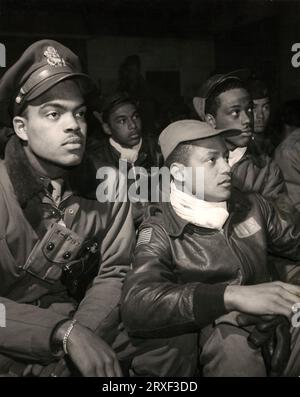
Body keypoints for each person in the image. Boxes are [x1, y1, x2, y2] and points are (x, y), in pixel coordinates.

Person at [121, 120, 300, 377]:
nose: (227, 168)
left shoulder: (250, 205)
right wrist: (229, 297)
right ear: (180, 173)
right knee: (235, 353)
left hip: (269, 316)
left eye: (225, 157)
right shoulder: (160, 228)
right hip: (217, 329)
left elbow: (295, 240)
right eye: (211, 160)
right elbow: (137, 303)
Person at [0, 40, 135, 377]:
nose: (74, 124)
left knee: (163, 343)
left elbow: (114, 272)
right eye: (54, 113)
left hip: (82, 321)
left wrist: (83, 333)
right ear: (21, 128)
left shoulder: (109, 187)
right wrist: (61, 333)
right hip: (10, 335)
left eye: (78, 113)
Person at [193, 71, 285, 201]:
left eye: (249, 109)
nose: (247, 119)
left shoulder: (267, 169)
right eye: (235, 112)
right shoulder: (189, 161)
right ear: (211, 121)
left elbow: (282, 217)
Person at [87, 91, 162, 227]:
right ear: (107, 128)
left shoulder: (157, 150)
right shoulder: (94, 161)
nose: (132, 125)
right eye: (122, 121)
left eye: (135, 117)